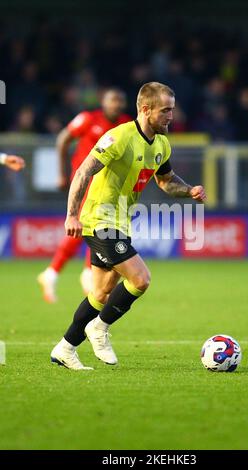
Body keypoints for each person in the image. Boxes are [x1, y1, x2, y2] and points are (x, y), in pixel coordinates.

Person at [50, 82, 207, 370]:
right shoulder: (119, 138)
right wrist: (71, 214)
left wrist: (189, 191)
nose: (172, 116)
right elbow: (84, 170)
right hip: (100, 220)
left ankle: (66, 347)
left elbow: (165, 181)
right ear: (146, 110)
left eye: (172, 110)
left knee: (101, 293)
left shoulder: (161, 143)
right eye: (166, 110)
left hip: (121, 223)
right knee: (141, 279)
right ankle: (99, 329)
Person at [37, 88, 131, 303]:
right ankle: (72, 273)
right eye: (112, 100)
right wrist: (61, 173)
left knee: (92, 227)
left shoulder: (126, 124)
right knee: (86, 225)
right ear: (103, 101)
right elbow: (63, 139)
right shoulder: (88, 119)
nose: (116, 104)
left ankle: (64, 273)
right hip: (85, 182)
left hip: (110, 186)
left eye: (120, 101)